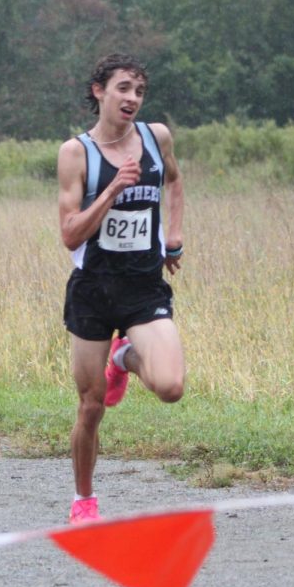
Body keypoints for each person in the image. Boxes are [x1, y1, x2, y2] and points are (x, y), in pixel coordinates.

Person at [56, 53, 186, 525]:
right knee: (91, 406)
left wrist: (173, 236)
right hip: (92, 288)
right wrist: (112, 191)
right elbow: (70, 234)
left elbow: (173, 180)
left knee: (171, 387)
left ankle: (123, 357)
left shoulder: (157, 137)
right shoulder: (77, 153)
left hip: (143, 286)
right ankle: (84, 500)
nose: (132, 98)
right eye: (124, 88)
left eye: (139, 91)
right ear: (99, 92)